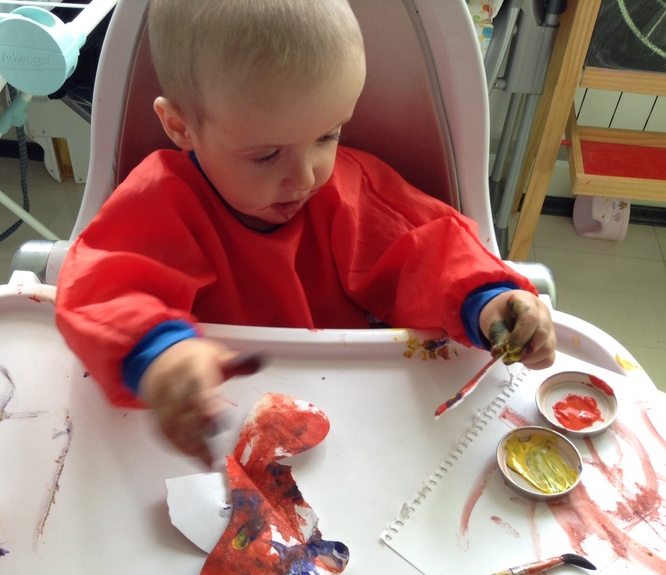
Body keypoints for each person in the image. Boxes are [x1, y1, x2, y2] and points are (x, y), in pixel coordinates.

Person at [55, 0, 556, 466]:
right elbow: (103, 291)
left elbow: (430, 250)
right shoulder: (160, 203)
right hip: (213, 430)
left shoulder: (348, 191)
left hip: (345, 425)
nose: (307, 176)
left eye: (327, 135)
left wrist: (487, 302)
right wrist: (161, 357)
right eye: (266, 155)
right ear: (181, 127)